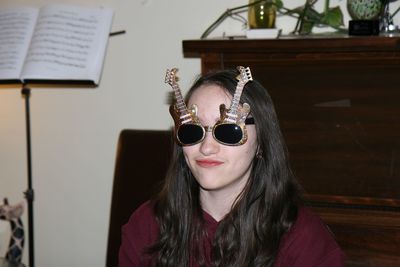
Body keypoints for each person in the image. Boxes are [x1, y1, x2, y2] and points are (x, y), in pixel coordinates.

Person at [119, 67, 345, 266]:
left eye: (228, 131)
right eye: (192, 131)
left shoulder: (303, 240)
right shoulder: (146, 225)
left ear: (261, 145)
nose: (206, 148)